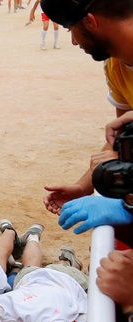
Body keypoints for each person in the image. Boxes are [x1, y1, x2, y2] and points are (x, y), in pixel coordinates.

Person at [40, 0, 133, 214]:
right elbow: (121, 141)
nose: (73, 41)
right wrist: (84, 186)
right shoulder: (115, 64)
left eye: (70, 29)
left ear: (91, 22)